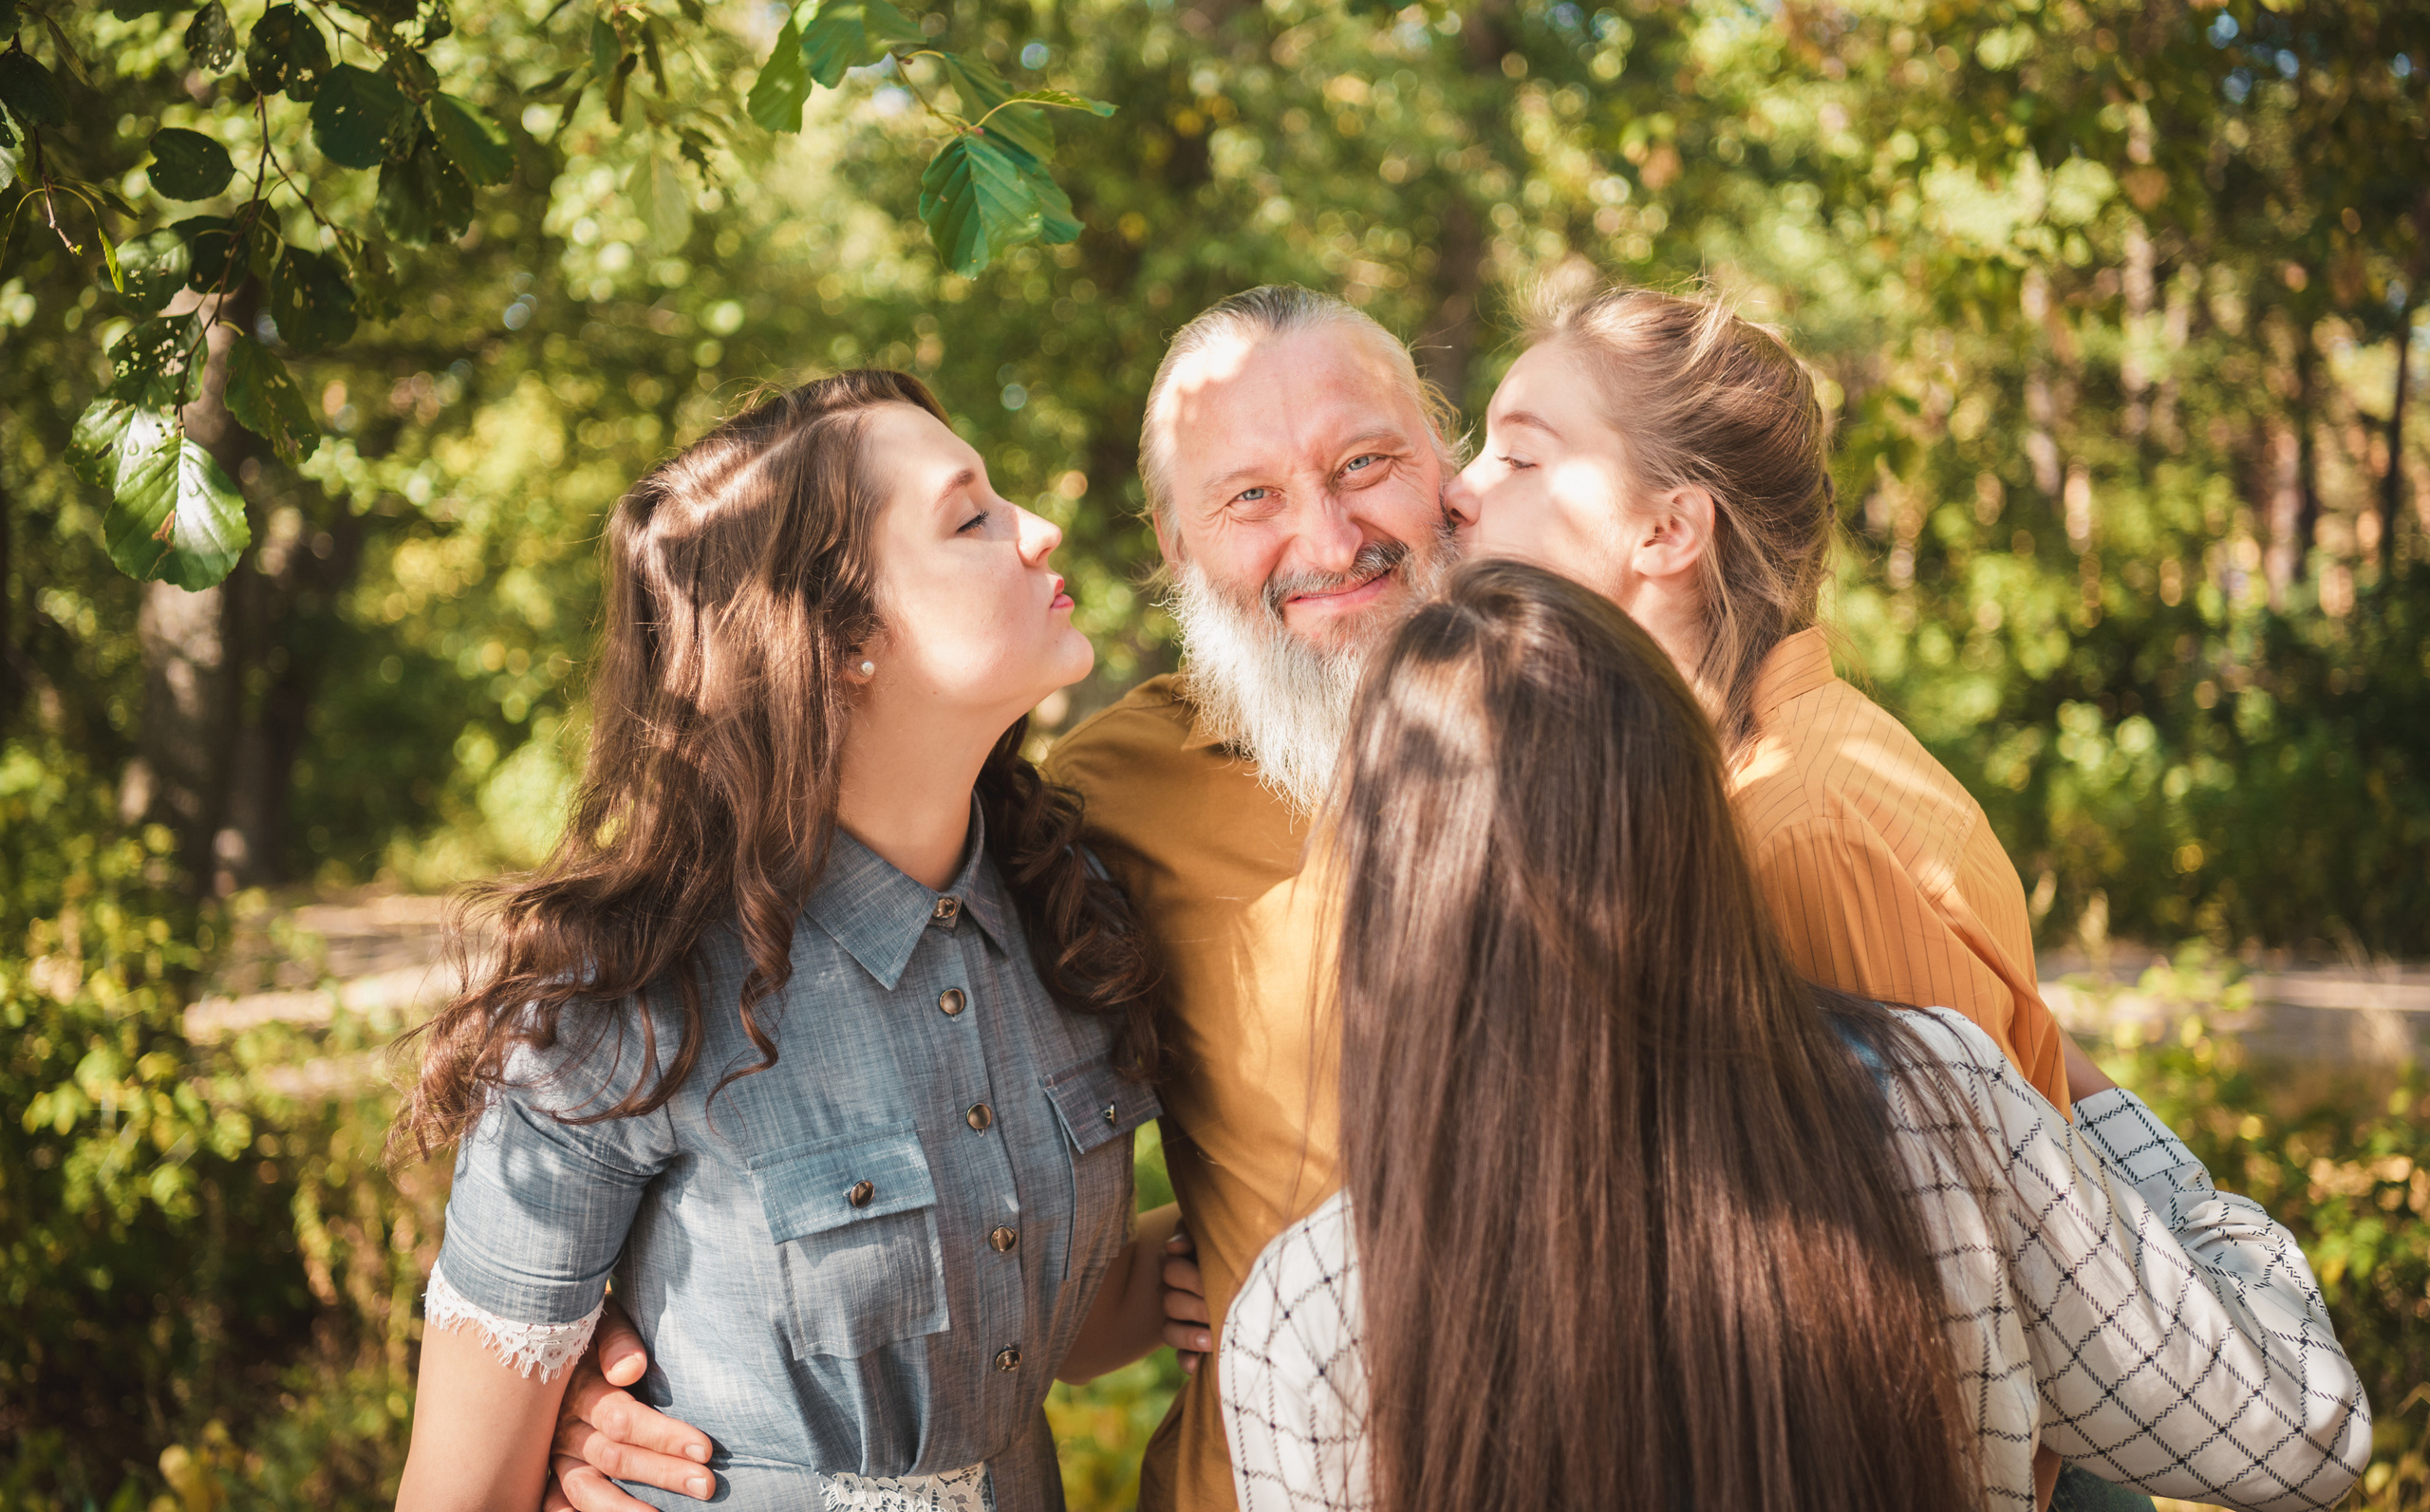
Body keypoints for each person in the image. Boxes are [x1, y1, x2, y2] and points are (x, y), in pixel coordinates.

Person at [531, 287, 1459, 1512]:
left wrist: (1166, 1260)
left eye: (1366, 461)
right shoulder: (1096, 812)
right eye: (1251, 496)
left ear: (1453, 462)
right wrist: (595, 1367)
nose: (1332, 536)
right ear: (1174, 548)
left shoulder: (1635, 740)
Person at [1224, 558, 2371, 1512]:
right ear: (1690, 817)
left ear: (1384, 889)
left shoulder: (1310, 1315)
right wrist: (2093, 1099)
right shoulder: (1940, 1102)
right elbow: (2300, 1433)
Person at [391, 370, 1177, 1511]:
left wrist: (1278, 1239)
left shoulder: (1069, 907)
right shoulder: (624, 995)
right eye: (973, 517)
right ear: (842, 638)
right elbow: (456, 1493)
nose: (1040, 528)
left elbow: (1058, 1316)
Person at [1446, 283, 2116, 1505]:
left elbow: (1948, 1311)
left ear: (1667, 530)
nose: (1458, 485)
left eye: (1518, 453)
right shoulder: (1722, 779)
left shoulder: (1797, 832)